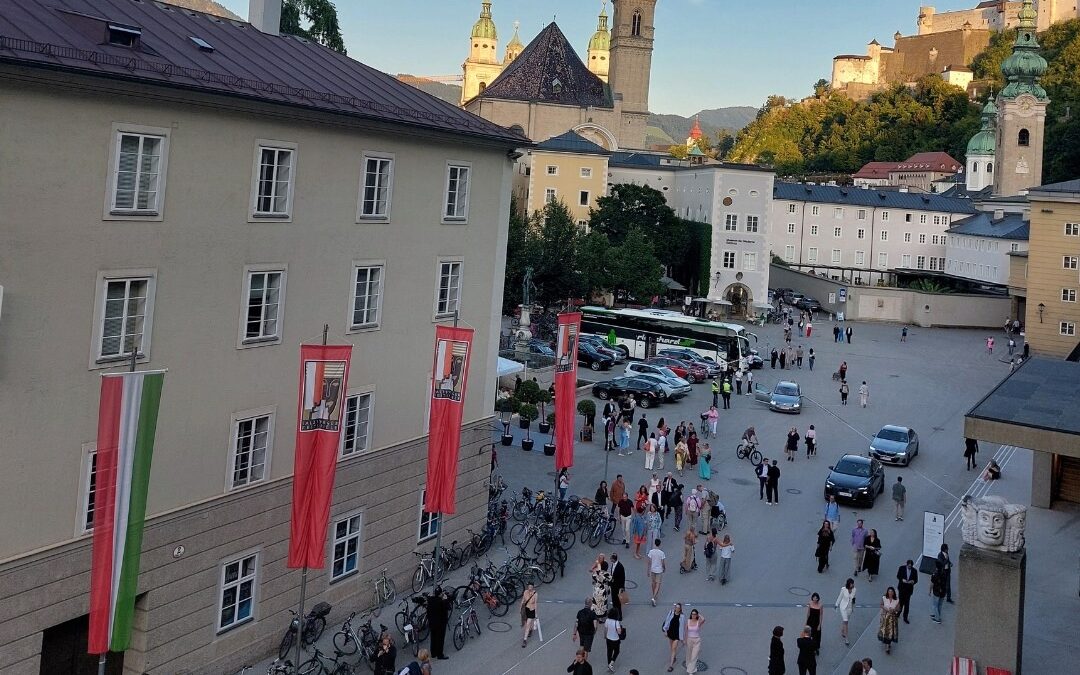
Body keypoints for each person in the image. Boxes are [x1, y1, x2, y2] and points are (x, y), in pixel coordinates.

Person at [426, 587, 451, 660]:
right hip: (440, 623)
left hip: (432, 622)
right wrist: (446, 599)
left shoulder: (430, 600)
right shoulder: (442, 602)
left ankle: (433, 653)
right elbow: (448, 607)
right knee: (440, 639)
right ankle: (440, 654)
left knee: (433, 637)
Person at [662, 603, 686, 673]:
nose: (677, 609)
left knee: (673, 648)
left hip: (677, 635)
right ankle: (674, 657)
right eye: (676, 607)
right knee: (671, 647)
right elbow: (667, 621)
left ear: (680, 609)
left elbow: (682, 627)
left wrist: (682, 638)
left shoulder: (682, 616)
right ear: (675, 608)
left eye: (678, 608)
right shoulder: (671, 612)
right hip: (670, 633)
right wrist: (665, 631)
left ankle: (671, 665)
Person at [877, 587, 900, 654]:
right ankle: (886, 643)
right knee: (884, 630)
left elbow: (899, 608)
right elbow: (881, 605)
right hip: (885, 617)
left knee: (891, 632)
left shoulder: (896, 600)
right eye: (889, 591)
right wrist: (886, 609)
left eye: (891, 592)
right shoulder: (884, 598)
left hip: (892, 619)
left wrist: (894, 610)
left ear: (893, 593)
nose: (890, 593)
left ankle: (888, 646)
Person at [895, 559, 918, 624]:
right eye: (908, 566)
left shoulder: (914, 571)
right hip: (902, 588)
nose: (909, 567)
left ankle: (905, 617)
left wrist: (913, 581)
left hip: (909, 590)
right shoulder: (901, 568)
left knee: (907, 604)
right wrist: (902, 580)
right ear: (907, 564)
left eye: (910, 566)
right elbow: (898, 576)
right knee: (901, 602)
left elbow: (916, 580)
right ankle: (898, 613)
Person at [835, 578, 856, 646]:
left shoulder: (854, 590)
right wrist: (836, 604)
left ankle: (842, 630)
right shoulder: (843, 589)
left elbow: (853, 599)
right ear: (848, 584)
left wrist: (853, 607)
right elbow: (840, 597)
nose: (852, 585)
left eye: (853, 583)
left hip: (849, 608)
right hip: (843, 607)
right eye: (851, 584)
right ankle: (846, 638)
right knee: (846, 621)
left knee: (845, 621)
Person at [684, 609, 705, 674]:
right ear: (691, 614)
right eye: (692, 614)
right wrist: (685, 640)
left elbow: (703, 619)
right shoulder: (688, 621)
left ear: (696, 615)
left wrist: (699, 614)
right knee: (689, 655)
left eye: (695, 614)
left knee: (694, 656)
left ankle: (690, 671)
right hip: (689, 639)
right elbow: (686, 631)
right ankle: (691, 667)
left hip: (697, 640)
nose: (693, 615)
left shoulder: (698, 622)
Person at [648, 538, 666, 606]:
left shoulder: (651, 551)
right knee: (658, 584)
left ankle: (654, 596)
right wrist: (664, 568)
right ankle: (653, 597)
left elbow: (649, 562)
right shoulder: (661, 553)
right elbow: (663, 563)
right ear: (660, 544)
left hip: (652, 569)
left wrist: (648, 570)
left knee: (653, 583)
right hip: (659, 570)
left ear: (654, 543)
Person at [521, 583, 538, 647]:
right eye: (529, 587)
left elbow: (535, 604)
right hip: (526, 610)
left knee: (527, 625)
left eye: (531, 587)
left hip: (531, 610)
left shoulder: (535, 594)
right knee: (526, 624)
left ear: (533, 587)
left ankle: (524, 640)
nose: (529, 588)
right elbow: (523, 600)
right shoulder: (525, 592)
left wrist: (536, 613)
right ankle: (530, 630)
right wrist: (520, 609)